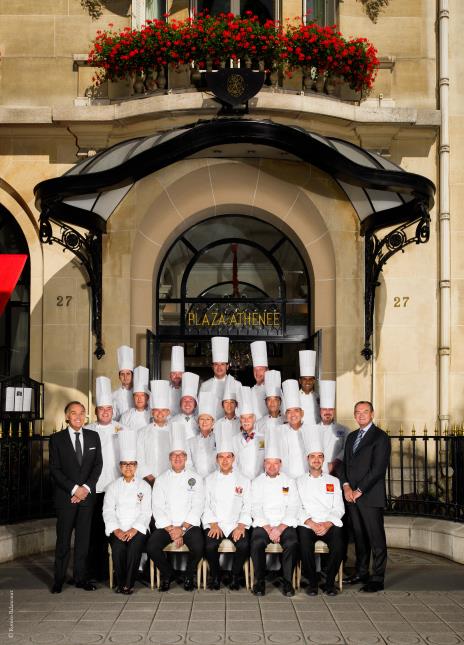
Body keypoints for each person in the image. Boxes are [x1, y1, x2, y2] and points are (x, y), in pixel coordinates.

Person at [49, 401, 103, 593]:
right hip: (65, 498)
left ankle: (80, 578)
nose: (78, 416)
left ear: (86, 416)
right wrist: (74, 489)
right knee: (63, 540)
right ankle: (59, 579)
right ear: (67, 416)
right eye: (74, 413)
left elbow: (97, 466)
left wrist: (85, 489)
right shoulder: (56, 439)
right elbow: (55, 469)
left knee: (83, 540)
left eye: (82, 413)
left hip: (87, 497)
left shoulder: (93, 437)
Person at [147, 423, 204, 591]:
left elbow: (198, 506)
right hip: (167, 526)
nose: (178, 458)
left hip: (189, 525)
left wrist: (183, 529)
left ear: (186, 458)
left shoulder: (196, 478)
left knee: (199, 546)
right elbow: (157, 507)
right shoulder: (161, 479)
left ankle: (188, 575)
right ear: (169, 458)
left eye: (181, 455)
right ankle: (167, 573)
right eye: (174, 455)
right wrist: (172, 529)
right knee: (151, 546)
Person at [341, 401, 391, 592]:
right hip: (352, 497)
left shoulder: (380, 437)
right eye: (358, 412)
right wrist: (346, 487)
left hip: (369, 496)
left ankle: (377, 578)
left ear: (372, 414)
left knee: (376, 538)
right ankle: (362, 572)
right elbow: (345, 465)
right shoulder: (352, 436)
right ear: (354, 415)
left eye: (365, 412)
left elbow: (377, 469)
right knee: (360, 538)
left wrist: (358, 490)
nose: (361, 415)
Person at [85, 376, 127, 581]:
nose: (105, 412)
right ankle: (96, 572)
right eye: (101, 409)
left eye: (108, 409)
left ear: (113, 411)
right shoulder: (87, 431)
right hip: (94, 489)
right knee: (95, 532)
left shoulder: (122, 430)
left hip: (116, 488)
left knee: (116, 529)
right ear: (96, 412)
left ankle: (118, 570)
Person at [250, 432, 299, 597]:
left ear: (280, 464)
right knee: (256, 542)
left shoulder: (289, 481)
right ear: (264, 464)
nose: (272, 467)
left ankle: (287, 582)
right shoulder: (256, 482)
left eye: (275, 463)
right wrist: (269, 528)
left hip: (284, 523)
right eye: (268, 463)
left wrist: (280, 528)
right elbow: (255, 507)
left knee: (292, 542)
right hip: (264, 524)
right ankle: (260, 582)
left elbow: (293, 506)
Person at [103, 431, 152, 594]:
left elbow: (146, 512)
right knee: (118, 548)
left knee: (133, 547)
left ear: (136, 466)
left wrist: (134, 529)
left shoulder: (144, 486)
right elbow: (108, 511)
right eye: (125, 464)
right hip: (118, 527)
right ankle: (121, 581)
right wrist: (116, 529)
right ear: (120, 466)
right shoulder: (113, 487)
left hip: (137, 528)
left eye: (131, 464)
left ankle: (128, 584)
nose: (128, 467)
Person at [202, 434, 251, 590]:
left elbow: (247, 505)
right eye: (221, 457)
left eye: (228, 457)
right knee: (209, 546)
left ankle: (235, 576)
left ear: (233, 458)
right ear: (216, 459)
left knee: (243, 544)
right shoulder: (208, 480)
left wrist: (241, 526)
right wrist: (214, 525)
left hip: (236, 523)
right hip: (216, 523)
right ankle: (215, 576)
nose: (224, 460)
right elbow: (205, 505)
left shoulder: (244, 480)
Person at [296, 438, 345, 596]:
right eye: (313, 456)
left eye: (319, 456)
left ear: (323, 459)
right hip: (308, 523)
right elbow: (297, 507)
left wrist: (327, 524)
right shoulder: (298, 482)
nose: (316, 460)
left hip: (328, 522)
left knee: (339, 544)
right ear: (307, 459)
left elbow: (339, 507)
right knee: (304, 543)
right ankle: (312, 582)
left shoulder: (334, 481)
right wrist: (311, 523)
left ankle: (330, 582)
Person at [279, 379, 322, 480]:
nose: (293, 415)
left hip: (306, 479)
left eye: (296, 411)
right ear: (285, 415)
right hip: (285, 480)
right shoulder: (279, 431)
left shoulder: (312, 431)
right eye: (289, 411)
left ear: (302, 413)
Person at [136, 380, 172, 487]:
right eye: (156, 410)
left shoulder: (174, 431)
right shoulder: (142, 432)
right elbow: (139, 458)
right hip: (148, 481)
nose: (160, 414)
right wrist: (150, 478)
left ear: (168, 412)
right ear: (152, 412)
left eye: (163, 410)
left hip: (170, 480)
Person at [232, 386, 265, 480]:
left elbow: (263, 459)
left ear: (254, 418)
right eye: (243, 418)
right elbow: (234, 463)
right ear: (240, 419)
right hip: (240, 481)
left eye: (249, 417)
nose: (246, 421)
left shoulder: (262, 438)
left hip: (258, 480)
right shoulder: (234, 439)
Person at [318, 380, 350, 478]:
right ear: (320, 411)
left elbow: (347, 449)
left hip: (337, 471)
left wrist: (334, 463)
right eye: (324, 409)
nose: (327, 412)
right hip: (317, 471)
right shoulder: (313, 429)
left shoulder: (345, 430)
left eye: (330, 409)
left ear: (334, 411)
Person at [188, 390, 218, 478]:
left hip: (214, 479)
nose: (204, 422)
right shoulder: (190, 442)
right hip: (196, 480)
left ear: (213, 422)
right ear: (197, 422)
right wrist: (197, 478)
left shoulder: (218, 439)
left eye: (208, 419)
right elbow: (189, 464)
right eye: (201, 419)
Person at [200, 336, 231, 419]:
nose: (219, 367)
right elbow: (200, 408)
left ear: (227, 366)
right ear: (212, 366)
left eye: (222, 364)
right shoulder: (205, 385)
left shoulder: (236, 384)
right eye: (216, 364)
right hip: (209, 426)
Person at [120, 366, 151, 432]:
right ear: (133, 398)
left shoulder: (152, 415)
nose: (139, 399)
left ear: (147, 397)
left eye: (142, 395)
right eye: (136, 395)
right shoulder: (125, 416)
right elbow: (119, 434)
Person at [171, 371, 200, 440]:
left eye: (190, 400)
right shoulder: (172, 421)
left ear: (195, 404)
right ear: (180, 404)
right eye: (184, 400)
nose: (187, 404)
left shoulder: (200, 421)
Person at [214, 375, 241, 444]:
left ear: (236, 405)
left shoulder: (241, 423)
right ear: (222, 405)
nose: (229, 406)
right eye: (226, 402)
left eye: (232, 402)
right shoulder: (217, 424)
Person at [256, 370, 284, 435]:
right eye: (269, 399)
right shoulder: (258, 424)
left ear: (280, 401)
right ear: (266, 402)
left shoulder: (288, 421)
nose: (272, 403)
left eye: (275, 399)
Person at [112, 345, 134, 422]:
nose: (125, 377)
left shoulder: (139, 394)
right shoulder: (114, 395)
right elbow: (112, 418)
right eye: (122, 374)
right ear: (119, 377)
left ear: (132, 375)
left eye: (128, 373)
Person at [298, 350, 320, 425]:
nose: (308, 382)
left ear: (314, 381)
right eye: (304, 379)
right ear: (300, 381)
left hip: (316, 431)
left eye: (310, 379)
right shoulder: (294, 396)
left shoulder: (319, 397)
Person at [250, 340, 269, 420]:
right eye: (255, 369)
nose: (258, 373)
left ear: (267, 370)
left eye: (261, 369)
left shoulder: (275, 390)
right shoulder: (250, 391)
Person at [169, 345, 184, 416]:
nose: (177, 376)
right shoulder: (164, 390)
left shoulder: (190, 390)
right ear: (170, 375)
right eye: (174, 373)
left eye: (180, 373)